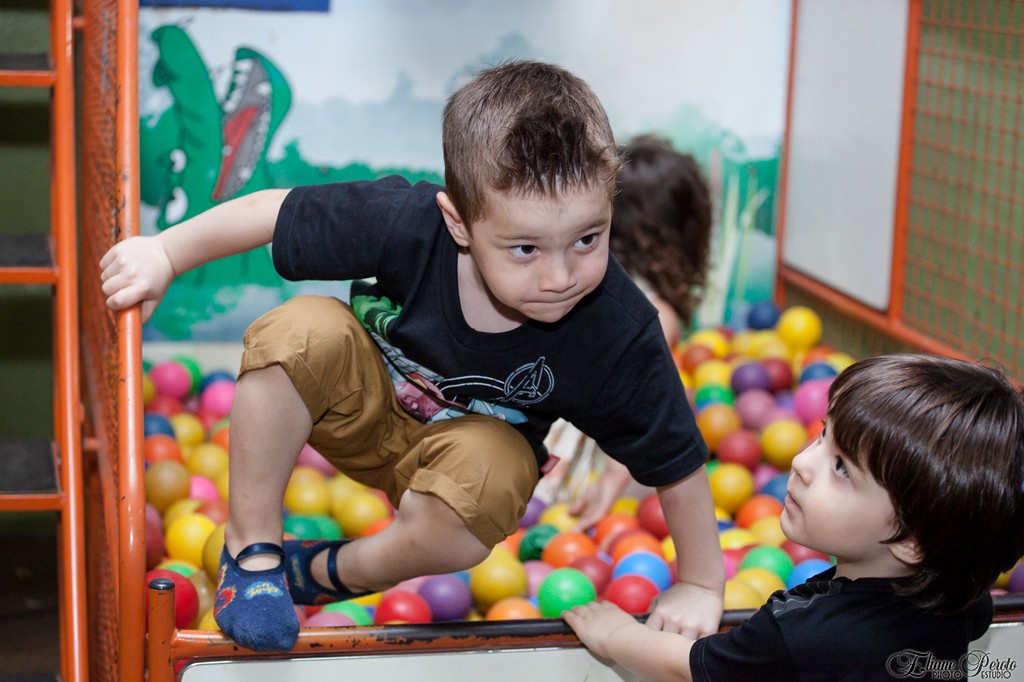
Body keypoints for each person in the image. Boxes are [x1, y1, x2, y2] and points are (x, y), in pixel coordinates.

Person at [100, 60, 724, 652]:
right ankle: (254, 553)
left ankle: (329, 570)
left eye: (588, 238)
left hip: (461, 468)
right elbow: (276, 211)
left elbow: (676, 458)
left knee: (499, 472)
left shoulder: (616, 328)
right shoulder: (406, 224)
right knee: (298, 331)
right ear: (458, 223)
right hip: (357, 408)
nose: (561, 275)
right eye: (525, 249)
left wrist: (699, 582)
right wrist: (166, 253)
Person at [565, 353, 1024, 681]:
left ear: (914, 540)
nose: (804, 462)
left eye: (842, 468)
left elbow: (686, 666)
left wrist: (617, 635)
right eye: (823, 436)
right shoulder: (962, 600)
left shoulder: (801, 635)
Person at [542, 135, 713, 529]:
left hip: (544, 433)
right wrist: (611, 482)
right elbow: (642, 405)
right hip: (575, 468)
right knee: (675, 401)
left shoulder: (583, 279)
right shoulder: (656, 311)